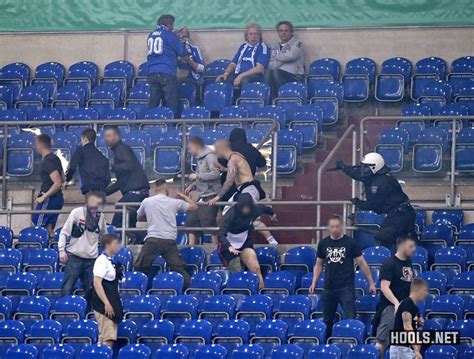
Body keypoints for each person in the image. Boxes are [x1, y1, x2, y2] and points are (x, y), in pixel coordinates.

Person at [309, 215, 377, 339]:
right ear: (329, 228)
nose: (335, 229)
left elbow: (362, 263)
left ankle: (352, 342)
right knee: (327, 320)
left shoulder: (350, 242)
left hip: (346, 287)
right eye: (332, 227)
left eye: (337, 226)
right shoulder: (324, 243)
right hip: (329, 287)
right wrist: (314, 282)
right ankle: (327, 345)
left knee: (350, 318)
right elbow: (318, 264)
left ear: (341, 227)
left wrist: (371, 282)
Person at [336, 152, 416, 248]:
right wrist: (344, 167)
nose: (363, 170)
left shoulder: (382, 182)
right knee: (408, 242)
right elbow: (358, 174)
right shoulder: (374, 176)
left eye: (366, 167)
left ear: (375, 167)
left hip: (399, 215)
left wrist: (359, 203)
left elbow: (374, 204)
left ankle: (379, 262)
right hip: (403, 212)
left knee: (382, 240)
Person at [134, 179, 198, 288]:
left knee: (140, 267)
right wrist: (183, 197)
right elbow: (194, 207)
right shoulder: (174, 202)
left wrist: (149, 216)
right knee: (180, 269)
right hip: (169, 241)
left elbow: (139, 217)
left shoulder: (147, 201)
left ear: (155, 190)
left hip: (153, 240)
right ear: (167, 189)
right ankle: (189, 290)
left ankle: (138, 290)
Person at [217, 193, 277, 289]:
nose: (246, 209)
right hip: (228, 243)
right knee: (236, 268)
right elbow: (221, 234)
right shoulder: (231, 214)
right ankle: (241, 292)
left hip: (244, 241)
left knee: (256, 268)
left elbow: (264, 208)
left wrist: (272, 213)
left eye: (248, 207)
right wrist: (229, 247)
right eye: (244, 207)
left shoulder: (255, 209)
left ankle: (260, 292)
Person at [58, 191, 107, 298]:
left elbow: (104, 235)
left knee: (92, 290)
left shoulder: (101, 216)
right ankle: (65, 311)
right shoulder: (77, 212)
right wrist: (61, 250)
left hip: (91, 259)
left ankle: (89, 313)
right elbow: (64, 232)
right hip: (75, 257)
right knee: (67, 288)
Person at [104, 126, 149, 241]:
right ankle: (141, 241)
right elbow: (121, 182)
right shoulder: (119, 151)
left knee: (118, 222)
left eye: (109, 135)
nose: (106, 138)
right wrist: (104, 192)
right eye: (105, 136)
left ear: (117, 136)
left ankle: (147, 238)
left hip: (135, 193)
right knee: (129, 226)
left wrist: (110, 167)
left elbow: (129, 165)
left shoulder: (121, 148)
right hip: (137, 193)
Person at [373, 236, 416, 355]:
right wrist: (396, 303)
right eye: (410, 246)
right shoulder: (389, 263)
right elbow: (384, 287)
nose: (413, 249)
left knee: (402, 343)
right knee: (383, 341)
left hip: (405, 308)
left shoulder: (408, 263)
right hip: (390, 308)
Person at [146, 14, 190, 116]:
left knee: (153, 101)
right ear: (169, 24)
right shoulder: (170, 36)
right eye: (172, 25)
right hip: (166, 71)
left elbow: (162, 41)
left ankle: (151, 124)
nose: (173, 28)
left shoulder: (151, 35)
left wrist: (174, 34)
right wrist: (183, 39)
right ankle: (171, 127)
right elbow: (182, 52)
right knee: (171, 102)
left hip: (152, 71)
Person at [184, 137, 221, 245]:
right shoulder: (200, 159)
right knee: (191, 222)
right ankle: (191, 247)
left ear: (196, 146)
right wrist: (193, 186)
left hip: (211, 195)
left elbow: (215, 174)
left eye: (190, 148)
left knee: (208, 222)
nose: (190, 151)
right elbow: (202, 178)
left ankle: (215, 247)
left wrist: (197, 176)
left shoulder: (210, 157)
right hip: (203, 195)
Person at [91, 234, 124, 347]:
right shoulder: (101, 261)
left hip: (111, 302)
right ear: (107, 245)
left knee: (104, 337)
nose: (117, 246)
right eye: (115, 243)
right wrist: (107, 303)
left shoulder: (110, 261)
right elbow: (97, 283)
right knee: (108, 338)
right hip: (104, 306)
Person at [217, 128, 267, 202]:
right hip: (246, 185)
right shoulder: (251, 148)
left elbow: (219, 166)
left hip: (229, 185)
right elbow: (262, 163)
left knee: (225, 208)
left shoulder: (228, 150)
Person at [215, 23, 269, 88]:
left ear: (260, 36)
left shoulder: (262, 47)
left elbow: (259, 68)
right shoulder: (243, 46)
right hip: (238, 74)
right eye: (251, 34)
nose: (253, 36)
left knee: (244, 81)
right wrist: (225, 74)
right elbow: (233, 63)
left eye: (255, 34)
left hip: (254, 76)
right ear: (246, 36)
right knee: (223, 81)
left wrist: (240, 76)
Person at [32, 134, 65, 236]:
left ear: (41, 144)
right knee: (48, 227)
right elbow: (63, 178)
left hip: (50, 198)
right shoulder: (55, 158)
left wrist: (44, 197)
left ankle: (41, 249)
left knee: (38, 225)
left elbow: (58, 182)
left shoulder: (47, 161)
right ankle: (51, 249)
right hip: (56, 198)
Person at [390, 278, 428, 359]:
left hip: (407, 349)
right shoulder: (407, 304)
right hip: (401, 349)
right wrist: (417, 351)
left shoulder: (415, 309)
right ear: (418, 289)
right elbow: (407, 327)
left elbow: (417, 331)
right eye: (424, 290)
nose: (426, 294)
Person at [265, 21, 305, 99]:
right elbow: (270, 64)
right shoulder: (275, 46)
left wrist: (277, 57)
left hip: (294, 75)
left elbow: (290, 56)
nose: (283, 33)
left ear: (291, 32)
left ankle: (282, 97)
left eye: (286, 31)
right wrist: (282, 59)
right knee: (268, 72)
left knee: (276, 71)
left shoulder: (297, 43)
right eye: (281, 31)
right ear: (278, 32)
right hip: (277, 74)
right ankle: (270, 99)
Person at [65, 128, 111, 195]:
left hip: (89, 189)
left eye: (81, 139)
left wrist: (67, 180)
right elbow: (108, 178)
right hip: (102, 190)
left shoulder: (80, 151)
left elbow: (72, 166)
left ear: (85, 139)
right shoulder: (102, 156)